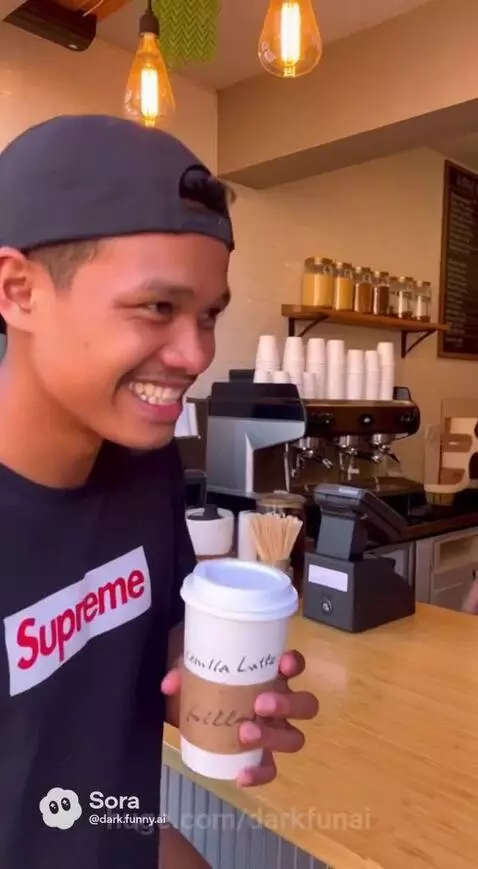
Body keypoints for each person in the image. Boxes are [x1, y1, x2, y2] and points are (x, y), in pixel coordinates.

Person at [0, 114, 319, 869]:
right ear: (18, 291)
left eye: (209, 315)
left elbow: (142, 661)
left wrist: (218, 694)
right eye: (157, 307)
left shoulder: (146, 465)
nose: (196, 353)